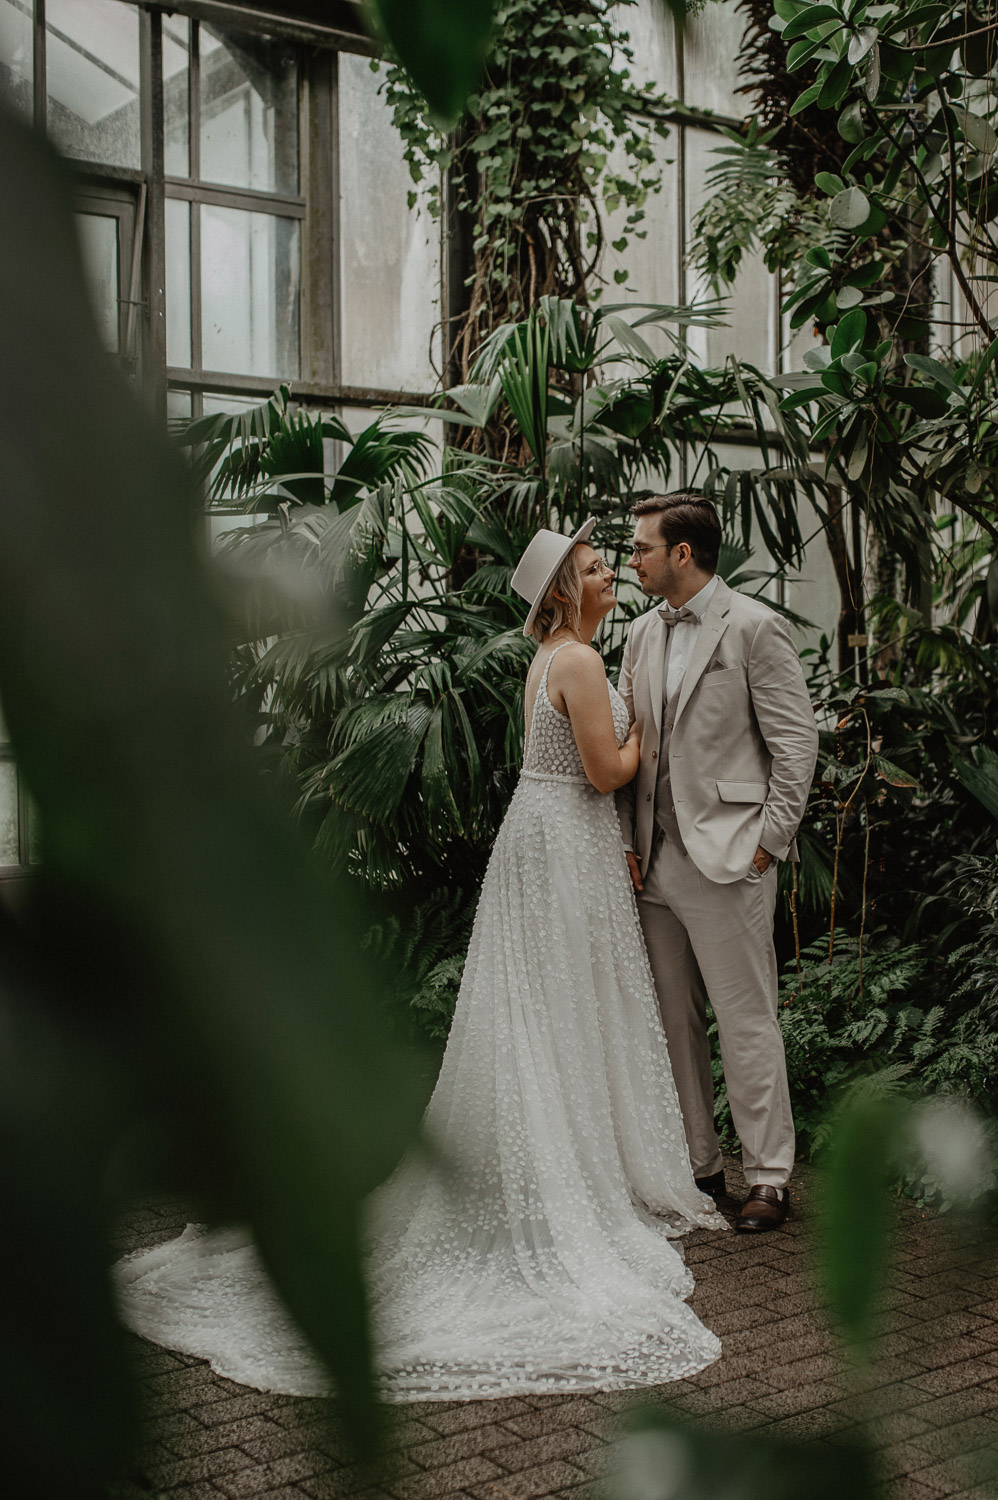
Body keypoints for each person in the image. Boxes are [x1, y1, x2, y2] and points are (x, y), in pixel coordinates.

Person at [116, 517, 724, 1402]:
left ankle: (568, 1158)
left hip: (543, 841)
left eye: (605, 565)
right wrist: (650, 743)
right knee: (564, 1004)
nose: (610, 578)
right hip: (566, 843)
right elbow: (604, 772)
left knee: (546, 1008)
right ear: (563, 592)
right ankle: (569, 1179)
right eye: (596, 569)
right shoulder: (583, 662)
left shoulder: (547, 659)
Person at [617, 492, 819, 1233]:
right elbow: (633, 740)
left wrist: (769, 842)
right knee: (674, 1022)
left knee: (746, 1021)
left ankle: (768, 1177)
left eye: (641, 547)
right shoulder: (640, 633)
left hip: (731, 856)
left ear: (682, 553)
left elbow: (796, 745)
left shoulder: (755, 627)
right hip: (654, 860)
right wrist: (626, 841)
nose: (631, 559)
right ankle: (700, 1166)